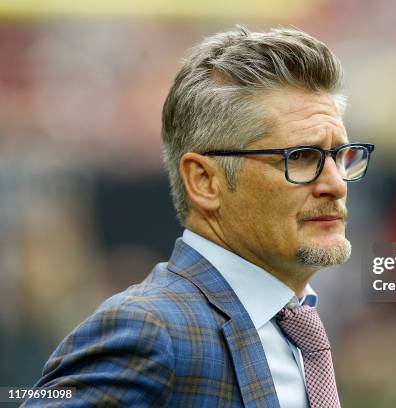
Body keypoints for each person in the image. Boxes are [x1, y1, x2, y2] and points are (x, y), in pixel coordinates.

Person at [26, 26, 374, 407]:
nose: (336, 184)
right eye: (301, 157)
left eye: (341, 156)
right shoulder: (150, 329)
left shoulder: (291, 324)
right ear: (205, 180)